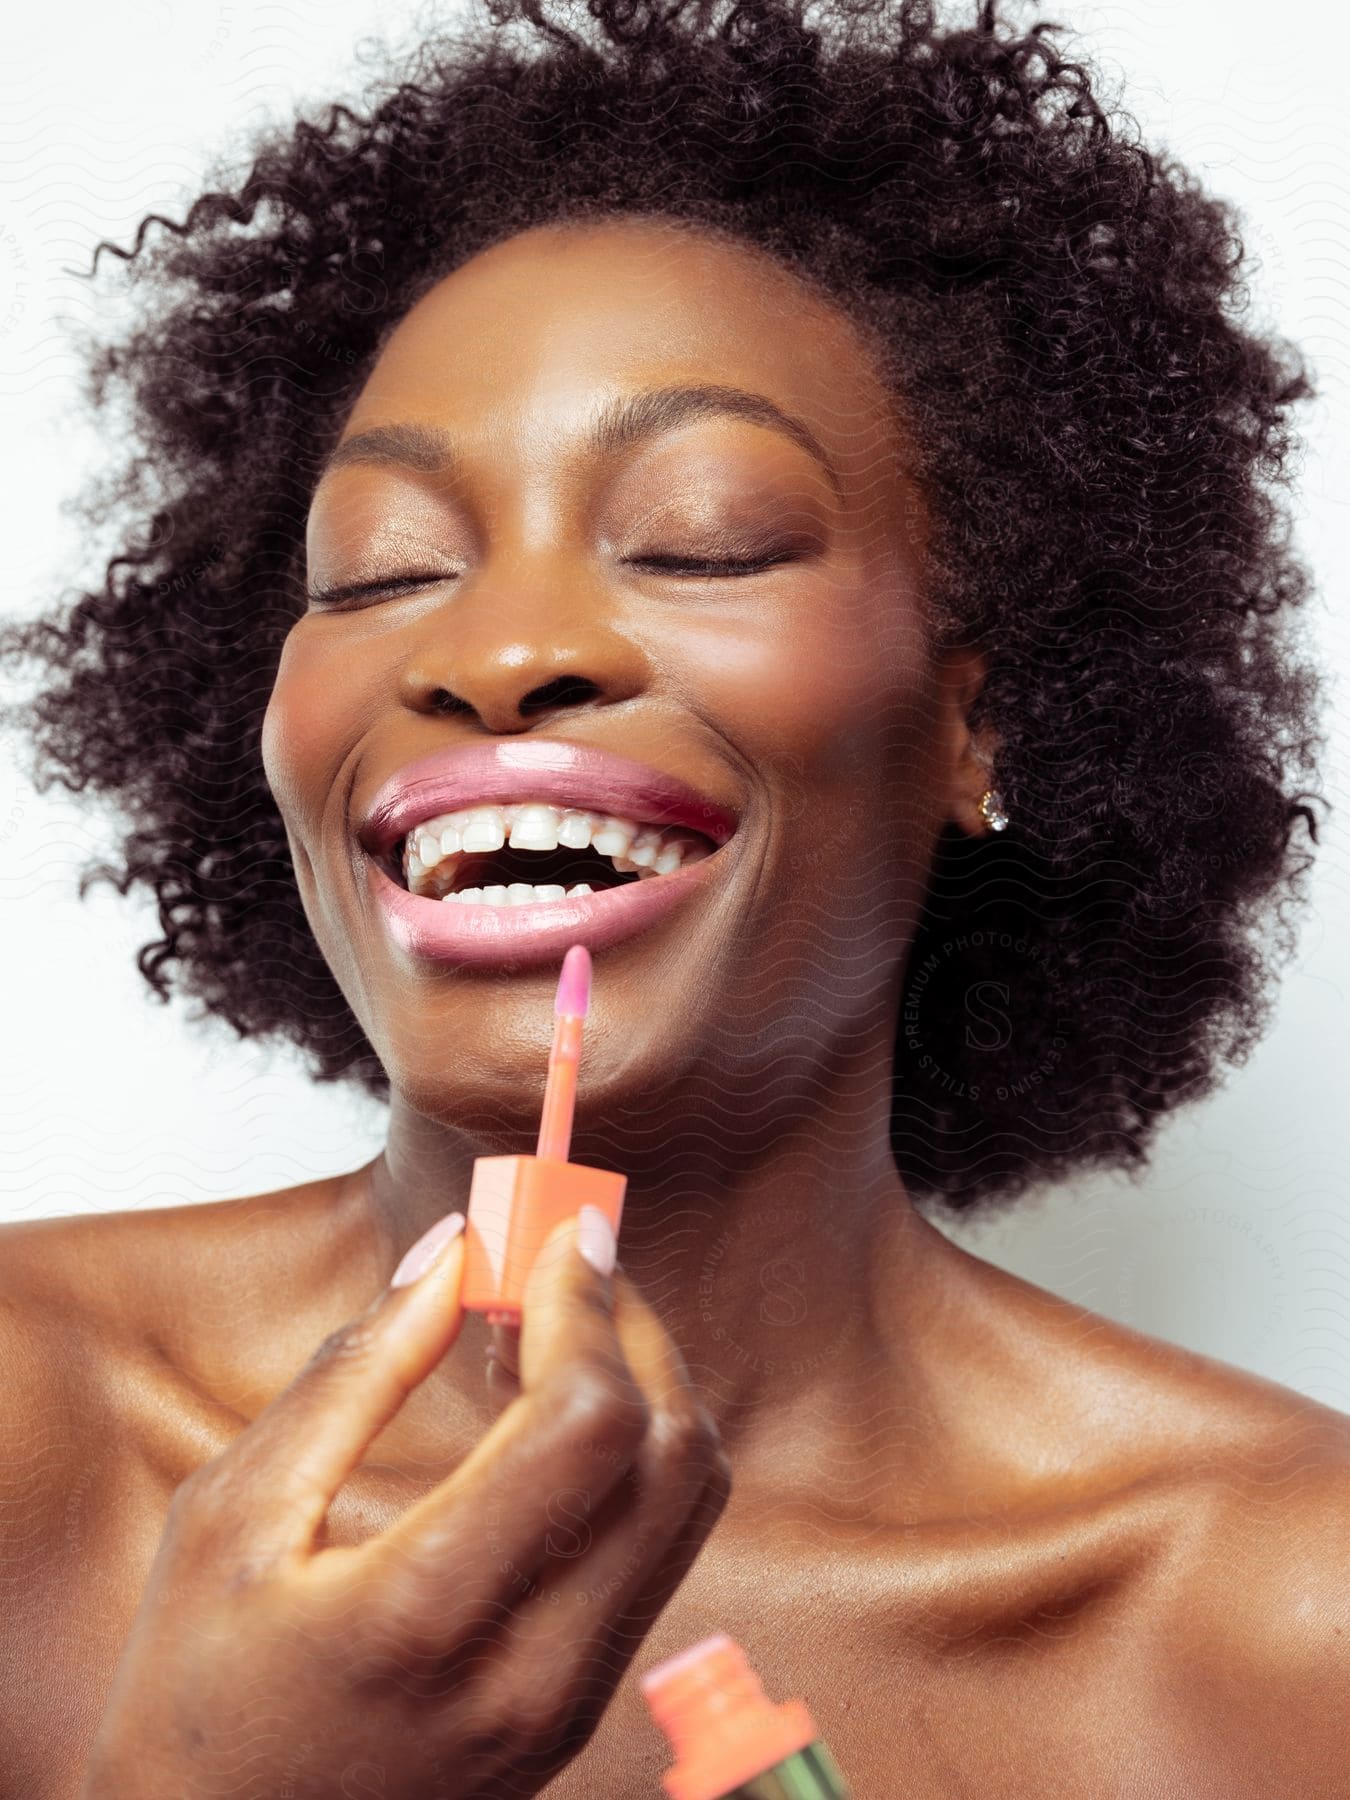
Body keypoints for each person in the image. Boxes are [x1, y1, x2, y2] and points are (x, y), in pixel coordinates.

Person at [1, 0, 1345, 1793]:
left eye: (701, 537)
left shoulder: (1284, 1622)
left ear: (979, 723)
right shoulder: (30, 1430)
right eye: (376, 568)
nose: (501, 651)